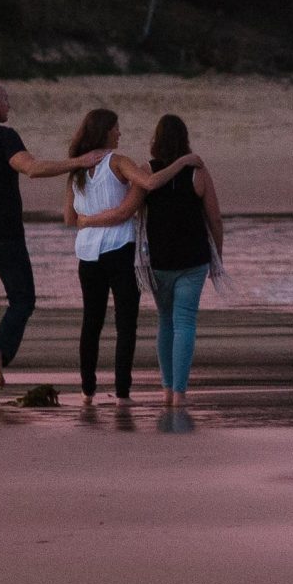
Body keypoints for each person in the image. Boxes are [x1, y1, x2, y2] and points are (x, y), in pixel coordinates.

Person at [0, 80, 105, 403]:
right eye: (5, 100)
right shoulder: (5, 137)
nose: (9, 106)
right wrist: (79, 162)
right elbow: (31, 168)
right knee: (23, 299)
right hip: (3, 234)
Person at [81, 114, 224, 409]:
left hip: (158, 260)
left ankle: (166, 388)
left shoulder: (147, 171)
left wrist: (89, 219)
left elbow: (130, 210)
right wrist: (217, 257)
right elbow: (215, 218)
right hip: (193, 259)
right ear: (185, 139)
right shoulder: (198, 171)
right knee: (185, 322)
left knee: (166, 321)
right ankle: (179, 393)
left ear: (156, 140)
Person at [57, 108, 198, 406]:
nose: (120, 133)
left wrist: (89, 220)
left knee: (91, 322)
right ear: (106, 131)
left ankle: (87, 390)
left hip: (87, 254)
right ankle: (122, 393)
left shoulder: (77, 169)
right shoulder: (118, 162)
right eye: (117, 128)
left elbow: (70, 217)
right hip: (120, 250)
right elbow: (148, 184)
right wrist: (184, 162)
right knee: (125, 324)